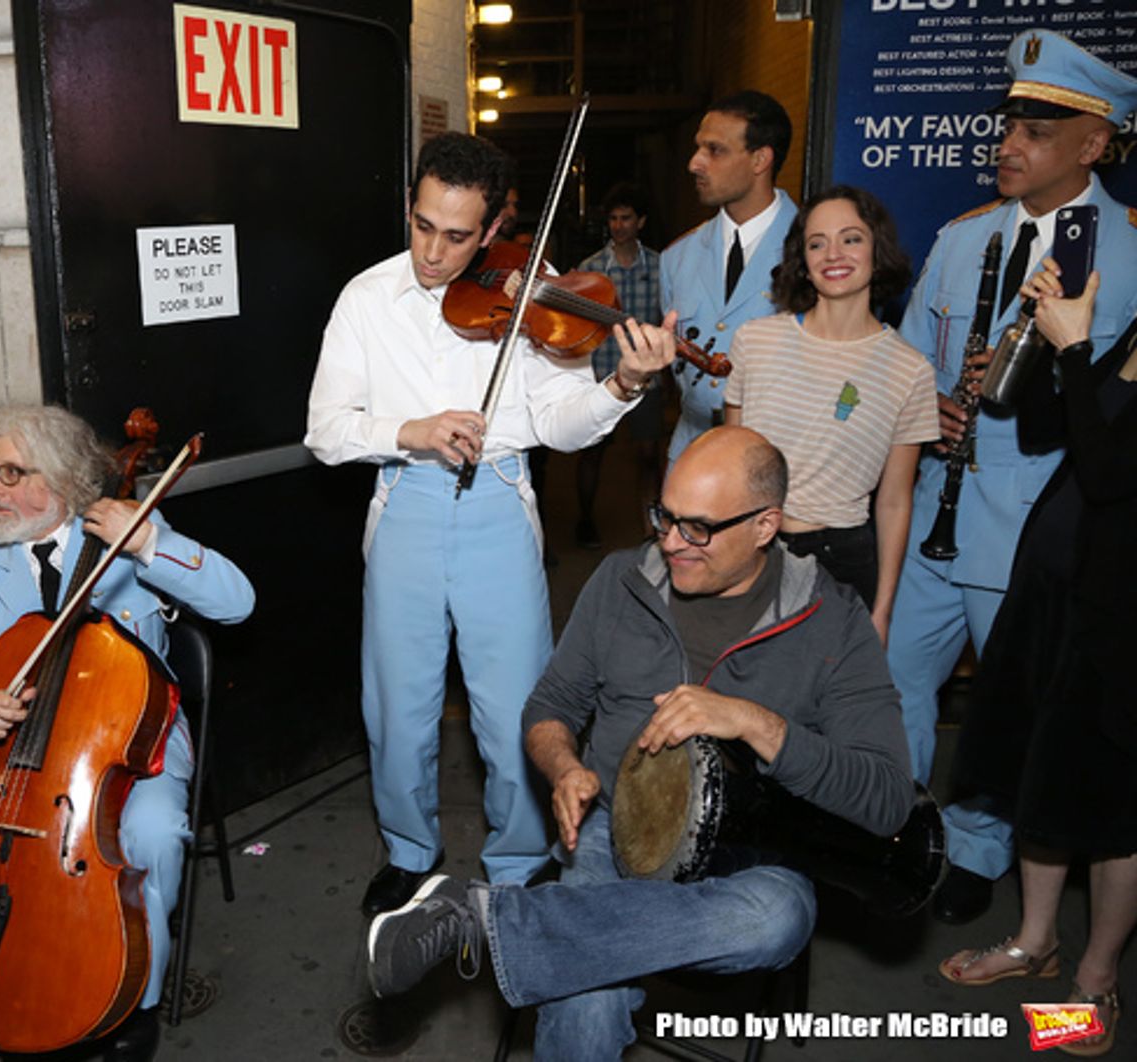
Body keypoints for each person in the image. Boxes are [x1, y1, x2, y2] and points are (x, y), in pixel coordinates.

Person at [365, 426, 915, 1061]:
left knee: (774, 919)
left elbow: (887, 801)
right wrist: (565, 764)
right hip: (615, 828)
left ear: (766, 526)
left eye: (699, 528)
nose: (673, 543)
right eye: (665, 517)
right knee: (586, 1000)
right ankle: (520, 927)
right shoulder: (622, 581)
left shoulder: (834, 619)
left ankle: (486, 921)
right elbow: (551, 707)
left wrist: (755, 723)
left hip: (754, 852)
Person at [304, 132, 678, 916]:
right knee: (396, 704)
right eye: (422, 225)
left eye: (458, 235)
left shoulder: (532, 290)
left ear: (494, 225)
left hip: (498, 506)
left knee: (514, 705)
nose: (434, 252)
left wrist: (623, 387)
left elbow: (561, 423)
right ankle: (409, 850)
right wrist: (411, 430)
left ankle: (517, 860)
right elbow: (326, 430)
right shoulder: (365, 298)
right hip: (405, 502)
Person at [0, 406, 255, 1062]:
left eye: (13, 473)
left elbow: (238, 603)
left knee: (151, 836)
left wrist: (152, 545)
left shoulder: (132, 533)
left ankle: (130, 1004)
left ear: (67, 479)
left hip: (123, 749)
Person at [886, 28, 1137, 925]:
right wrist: (929, 412)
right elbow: (911, 363)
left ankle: (980, 848)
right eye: (1009, 123)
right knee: (896, 678)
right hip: (931, 519)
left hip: (1030, 524)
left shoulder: (1127, 253)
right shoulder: (963, 238)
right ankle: (905, 832)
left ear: (1093, 145)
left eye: (1037, 129)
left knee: (1005, 706)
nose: (1009, 143)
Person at [938, 260, 1137, 1058]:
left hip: (1119, 617)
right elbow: (1046, 432)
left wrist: (1079, 349)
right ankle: (1033, 942)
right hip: (1053, 592)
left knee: (1116, 808)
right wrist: (1047, 345)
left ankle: (1093, 981)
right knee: (1037, 777)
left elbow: (1113, 475)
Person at [723, 185, 938, 644]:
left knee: (824, 711)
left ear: (878, 251)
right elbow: (731, 471)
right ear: (803, 259)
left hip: (842, 561)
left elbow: (896, 501)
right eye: (816, 243)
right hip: (757, 551)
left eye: (851, 239)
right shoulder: (754, 342)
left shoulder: (910, 370)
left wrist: (882, 610)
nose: (833, 254)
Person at [660, 91, 797, 465]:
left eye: (715, 150)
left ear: (760, 159)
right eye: (697, 148)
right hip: (692, 457)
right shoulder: (676, 258)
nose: (694, 163)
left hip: (779, 462)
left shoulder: (814, 251)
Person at [575, 181, 665, 548]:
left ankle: (650, 525)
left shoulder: (661, 266)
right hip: (602, 375)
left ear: (640, 221)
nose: (618, 225)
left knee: (648, 455)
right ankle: (584, 521)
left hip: (646, 377)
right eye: (613, 218)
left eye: (626, 218)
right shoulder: (591, 269)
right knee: (593, 451)